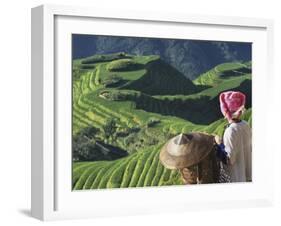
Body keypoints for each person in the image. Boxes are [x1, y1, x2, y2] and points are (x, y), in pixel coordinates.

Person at [215, 91, 252, 182]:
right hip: (248, 174)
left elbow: (228, 160)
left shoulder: (230, 131)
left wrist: (219, 144)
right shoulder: (246, 125)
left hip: (236, 178)